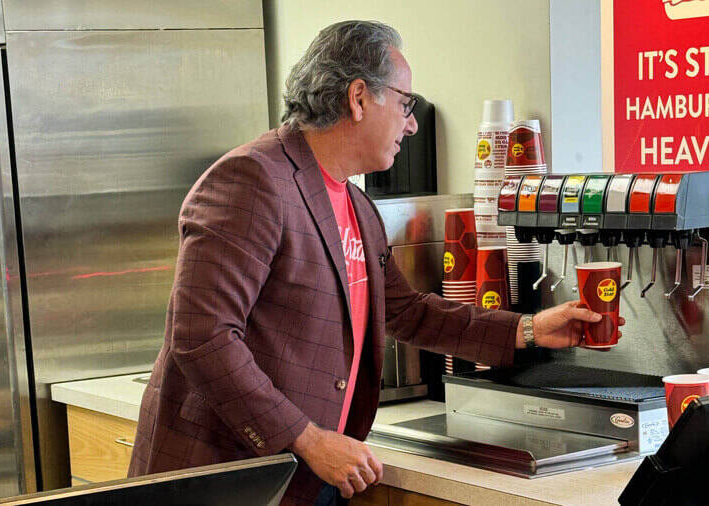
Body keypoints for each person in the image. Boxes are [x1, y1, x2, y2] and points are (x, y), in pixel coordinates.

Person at [128, 20, 622, 506]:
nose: (411, 122)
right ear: (359, 98)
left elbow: (406, 312)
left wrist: (531, 329)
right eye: (405, 104)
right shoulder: (252, 180)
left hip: (305, 475)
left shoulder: (357, 205)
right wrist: (307, 437)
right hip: (227, 474)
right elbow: (202, 336)